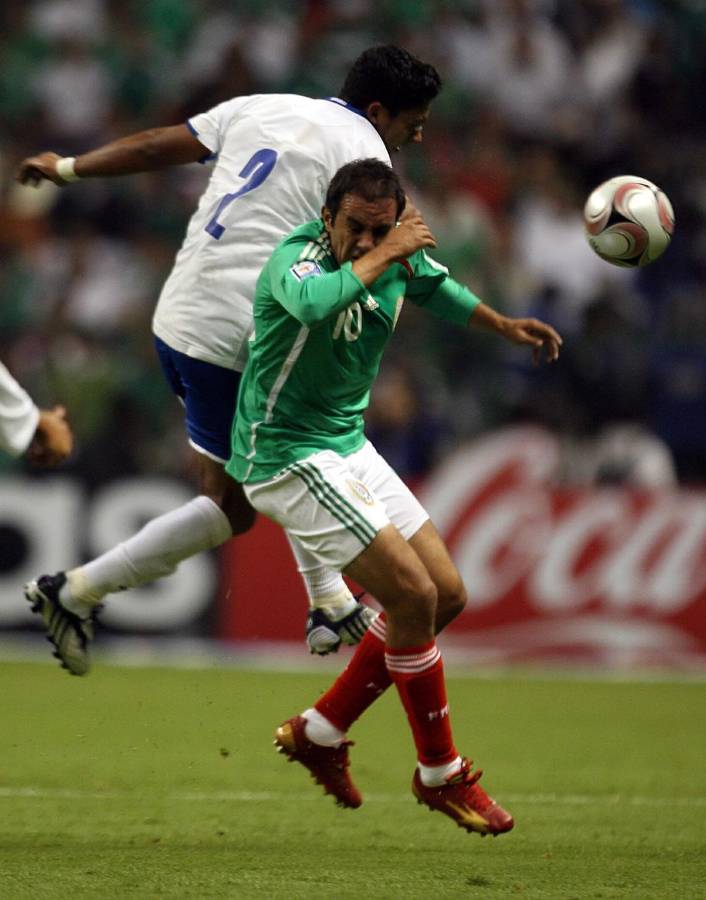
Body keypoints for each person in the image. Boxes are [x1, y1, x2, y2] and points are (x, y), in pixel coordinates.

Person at [16, 45, 442, 675]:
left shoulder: (260, 106)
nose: (418, 133)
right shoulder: (367, 161)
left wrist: (71, 166)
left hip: (181, 317)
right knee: (285, 451)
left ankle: (78, 593)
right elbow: (362, 265)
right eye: (413, 121)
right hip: (239, 334)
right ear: (379, 111)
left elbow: (162, 143)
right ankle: (320, 598)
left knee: (239, 492)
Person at [227, 158, 562, 835]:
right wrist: (388, 249)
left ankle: (320, 731)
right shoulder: (295, 259)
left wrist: (502, 325)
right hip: (284, 451)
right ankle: (439, 773)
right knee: (410, 596)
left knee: (444, 595)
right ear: (328, 218)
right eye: (353, 227)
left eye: (377, 228)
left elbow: (436, 287)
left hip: (346, 443)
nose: (363, 239)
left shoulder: (395, 251)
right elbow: (318, 302)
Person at [0, 362, 74, 465]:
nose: (64, 425)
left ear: (38, 447)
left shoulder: (18, 418)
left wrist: (41, 418)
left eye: (64, 430)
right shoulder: (16, 436)